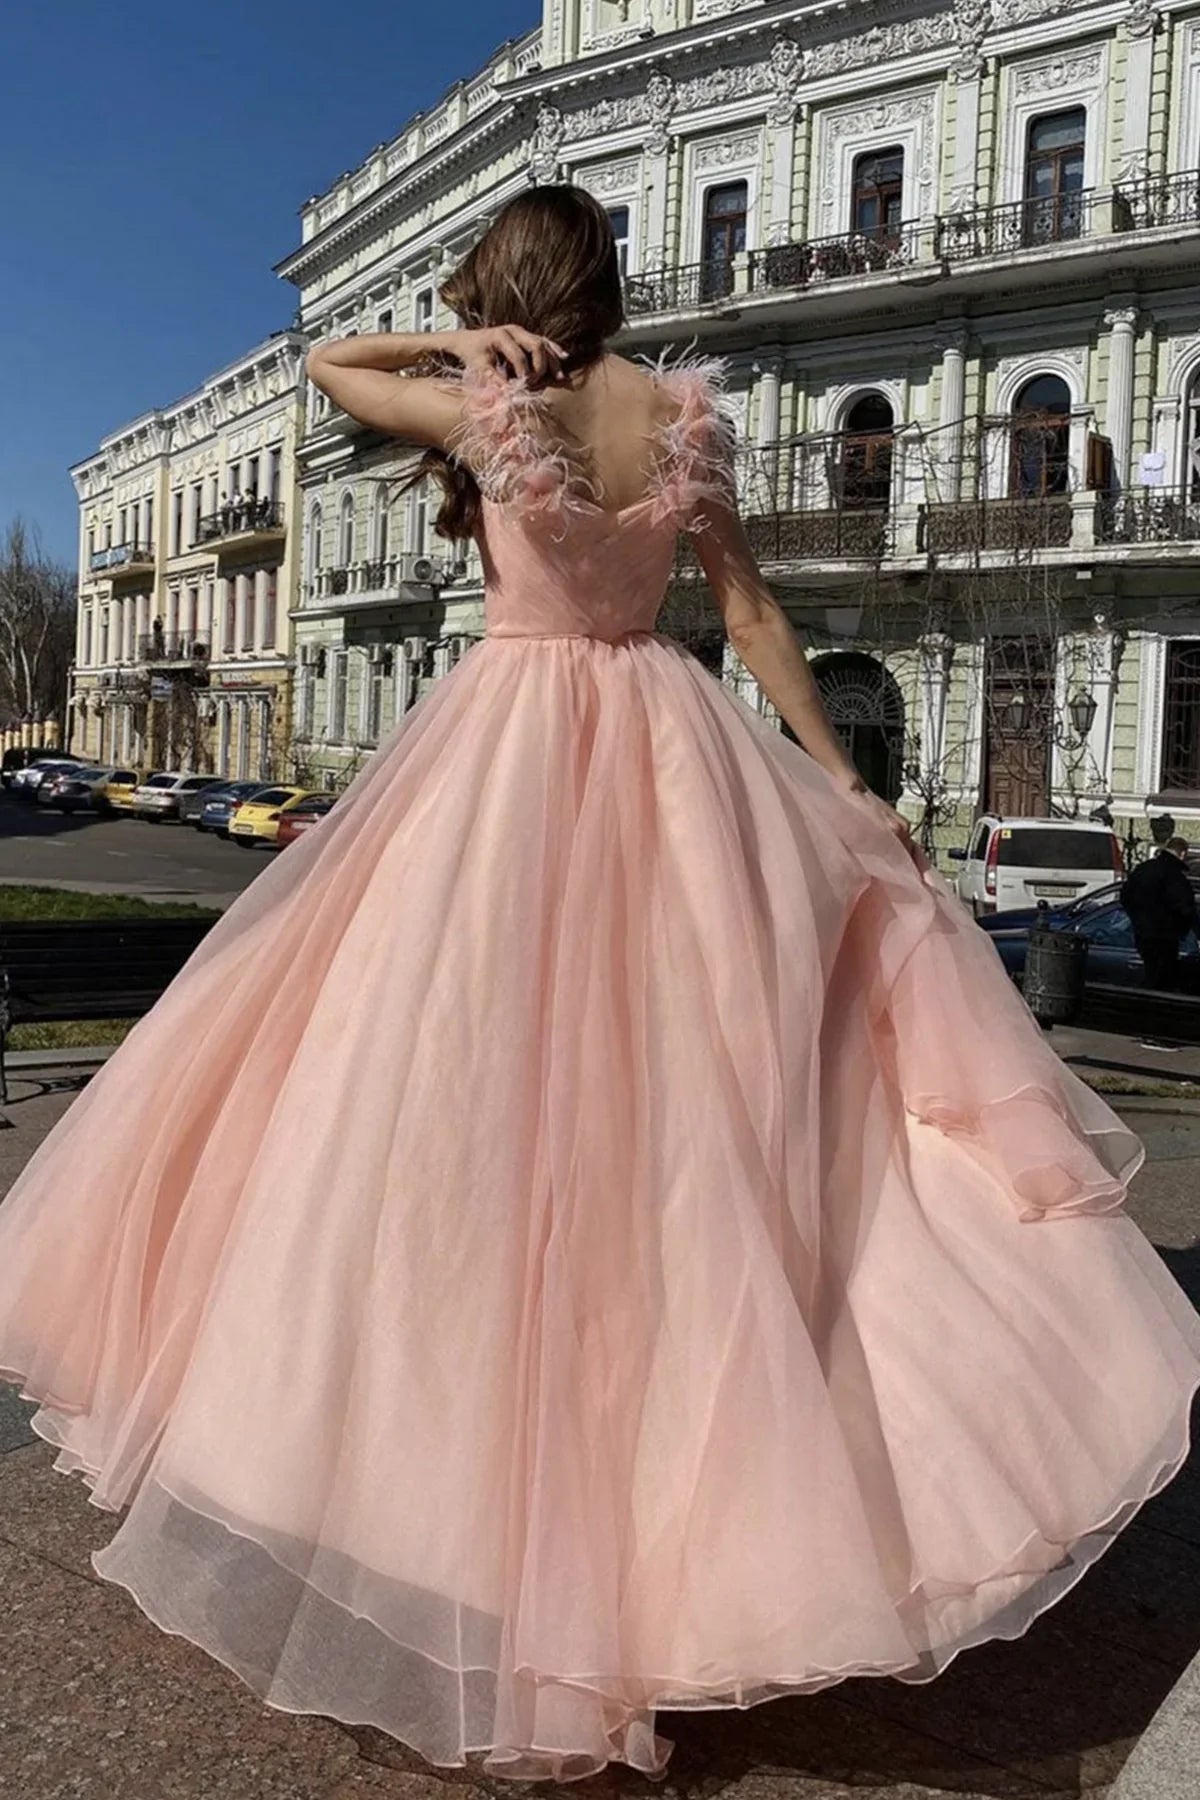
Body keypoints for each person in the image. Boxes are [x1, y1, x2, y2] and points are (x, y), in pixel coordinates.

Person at [0, 187, 1197, 1785]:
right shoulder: (682, 418)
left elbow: (330, 367)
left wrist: (449, 341)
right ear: (611, 280)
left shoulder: (490, 400)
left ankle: (456, 1514)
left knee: (438, 1109)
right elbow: (751, 615)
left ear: (505, 287)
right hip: (669, 751)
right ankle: (681, 1532)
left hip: (506, 760)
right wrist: (845, 782)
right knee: (691, 1129)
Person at [1120, 836, 1198, 990]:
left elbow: (1125, 897)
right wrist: (1186, 928)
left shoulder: (1144, 869)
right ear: (1182, 853)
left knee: (1152, 972)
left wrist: (1138, 920)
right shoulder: (1174, 876)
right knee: (1163, 979)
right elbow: (1185, 907)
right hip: (1166, 936)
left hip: (1143, 933)